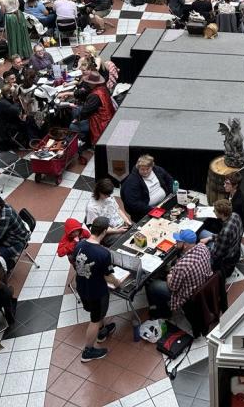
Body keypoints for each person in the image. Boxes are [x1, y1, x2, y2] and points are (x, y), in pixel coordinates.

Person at [74, 217, 121, 362]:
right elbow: (108, 277)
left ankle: (101, 333)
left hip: (82, 287)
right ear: (105, 231)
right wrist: (117, 282)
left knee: (96, 315)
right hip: (96, 292)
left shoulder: (80, 244)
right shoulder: (103, 253)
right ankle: (87, 351)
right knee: (94, 319)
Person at [146, 228, 213, 318]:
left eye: (178, 241)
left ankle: (164, 312)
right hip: (203, 283)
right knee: (174, 265)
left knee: (153, 286)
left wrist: (169, 277)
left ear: (185, 245)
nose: (176, 241)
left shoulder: (182, 266)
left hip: (189, 296)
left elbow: (173, 287)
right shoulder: (203, 247)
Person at [120, 154, 174, 222]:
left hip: (165, 202)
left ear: (152, 166)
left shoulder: (157, 170)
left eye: (148, 169)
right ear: (138, 167)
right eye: (142, 169)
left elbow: (169, 180)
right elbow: (133, 203)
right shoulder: (131, 182)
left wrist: (171, 194)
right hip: (147, 211)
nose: (145, 172)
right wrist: (152, 209)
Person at [86, 179, 132, 245]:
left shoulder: (109, 196)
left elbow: (118, 209)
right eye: (106, 195)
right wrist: (117, 231)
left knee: (136, 232)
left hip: (121, 225)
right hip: (109, 232)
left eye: (109, 194)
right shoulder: (92, 207)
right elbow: (96, 229)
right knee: (127, 243)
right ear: (99, 192)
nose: (109, 197)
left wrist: (127, 220)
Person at [204, 199, 243, 278]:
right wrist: (210, 238)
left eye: (215, 211)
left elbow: (216, 254)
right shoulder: (235, 215)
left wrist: (204, 248)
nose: (213, 212)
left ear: (222, 214)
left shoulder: (226, 231)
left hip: (225, 257)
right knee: (204, 234)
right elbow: (222, 237)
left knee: (201, 239)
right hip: (234, 248)